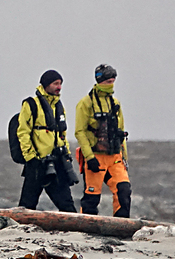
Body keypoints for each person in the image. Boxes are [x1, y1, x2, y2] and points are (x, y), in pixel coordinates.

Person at [16, 70, 77, 213]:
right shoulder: (30, 104)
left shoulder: (59, 106)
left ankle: (75, 231)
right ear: (46, 84)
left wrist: (66, 154)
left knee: (67, 204)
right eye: (56, 83)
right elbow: (23, 132)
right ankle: (18, 230)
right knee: (27, 204)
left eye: (60, 83)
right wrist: (30, 157)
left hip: (57, 160)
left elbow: (62, 133)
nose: (59, 87)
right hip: (37, 162)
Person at [74, 64, 131, 217]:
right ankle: (87, 227)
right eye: (107, 82)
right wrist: (89, 157)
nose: (110, 85)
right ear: (99, 81)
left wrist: (124, 157)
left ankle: (121, 226)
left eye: (112, 81)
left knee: (123, 190)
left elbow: (121, 133)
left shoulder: (115, 104)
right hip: (95, 156)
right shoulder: (86, 103)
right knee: (91, 197)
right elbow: (80, 132)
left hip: (114, 157)